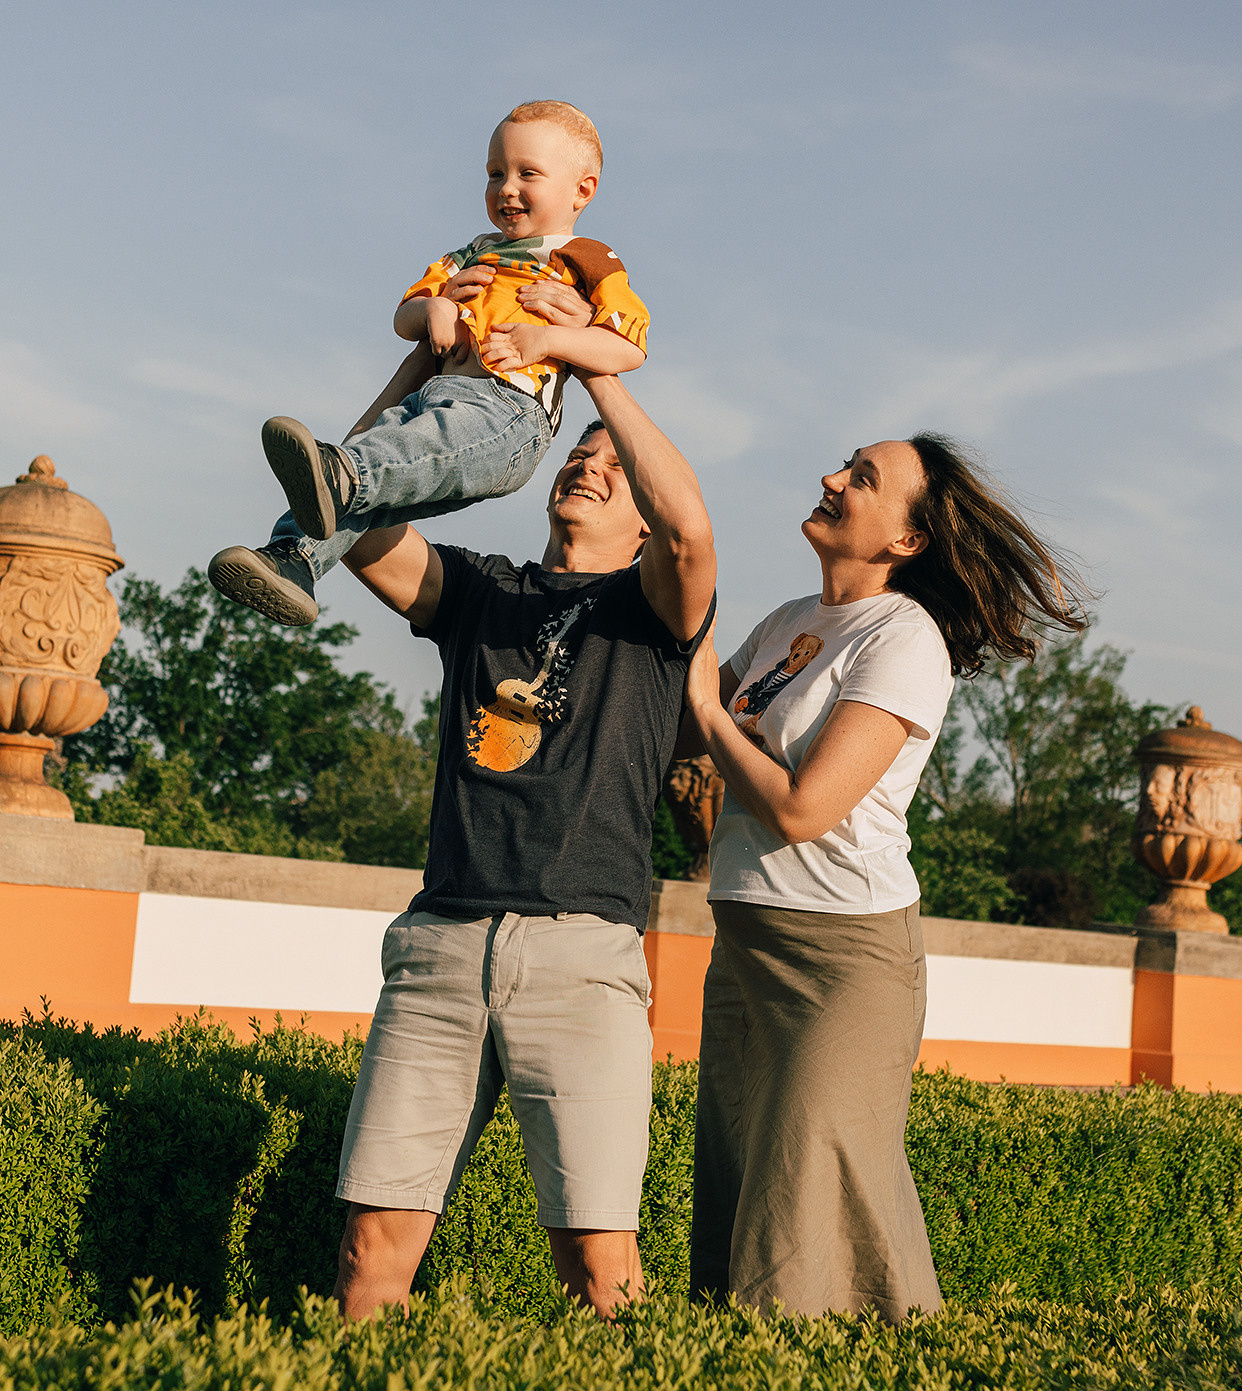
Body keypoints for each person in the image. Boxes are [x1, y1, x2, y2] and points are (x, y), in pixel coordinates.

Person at [325, 356, 715, 1320]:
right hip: (442, 946)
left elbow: (692, 528)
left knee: (598, 1261)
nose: (590, 463)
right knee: (371, 1248)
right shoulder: (477, 593)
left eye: (615, 464)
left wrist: (593, 374)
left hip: (581, 955)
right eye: (578, 453)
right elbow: (339, 506)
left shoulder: (658, 612)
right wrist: (423, 366)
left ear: (639, 522)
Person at [683, 434, 1089, 1321]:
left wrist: (710, 708)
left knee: (800, 1189)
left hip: (844, 964)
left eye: (861, 478)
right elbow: (692, 729)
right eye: (843, 465)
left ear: (907, 541)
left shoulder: (906, 639)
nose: (832, 479)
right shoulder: (791, 619)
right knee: (742, 1182)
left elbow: (800, 808)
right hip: (746, 947)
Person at [207, 99, 649, 627]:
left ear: (582, 189)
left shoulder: (587, 257)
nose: (506, 187)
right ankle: (293, 562)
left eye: (527, 173)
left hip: (506, 413)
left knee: (373, 466)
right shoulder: (472, 253)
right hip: (434, 395)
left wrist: (546, 340)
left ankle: (343, 474)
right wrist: (436, 307)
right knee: (371, 490)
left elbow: (627, 347)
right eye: (494, 173)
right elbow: (405, 317)